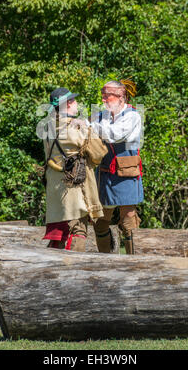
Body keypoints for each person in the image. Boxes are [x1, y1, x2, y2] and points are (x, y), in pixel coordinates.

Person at [42, 87, 107, 251]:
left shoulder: (47, 126)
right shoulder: (77, 127)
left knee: (60, 231)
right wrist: (88, 128)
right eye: (74, 100)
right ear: (68, 104)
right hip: (74, 187)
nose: (77, 103)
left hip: (55, 187)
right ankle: (71, 272)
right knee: (78, 229)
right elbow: (99, 153)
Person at [91, 80, 144, 254]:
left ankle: (132, 259)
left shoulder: (133, 116)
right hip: (105, 173)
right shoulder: (100, 115)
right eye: (103, 95)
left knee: (128, 220)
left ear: (121, 97)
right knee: (100, 221)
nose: (104, 99)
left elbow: (115, 135)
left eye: (108, 96)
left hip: (127, 172)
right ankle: (105, 259)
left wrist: (91, 126)